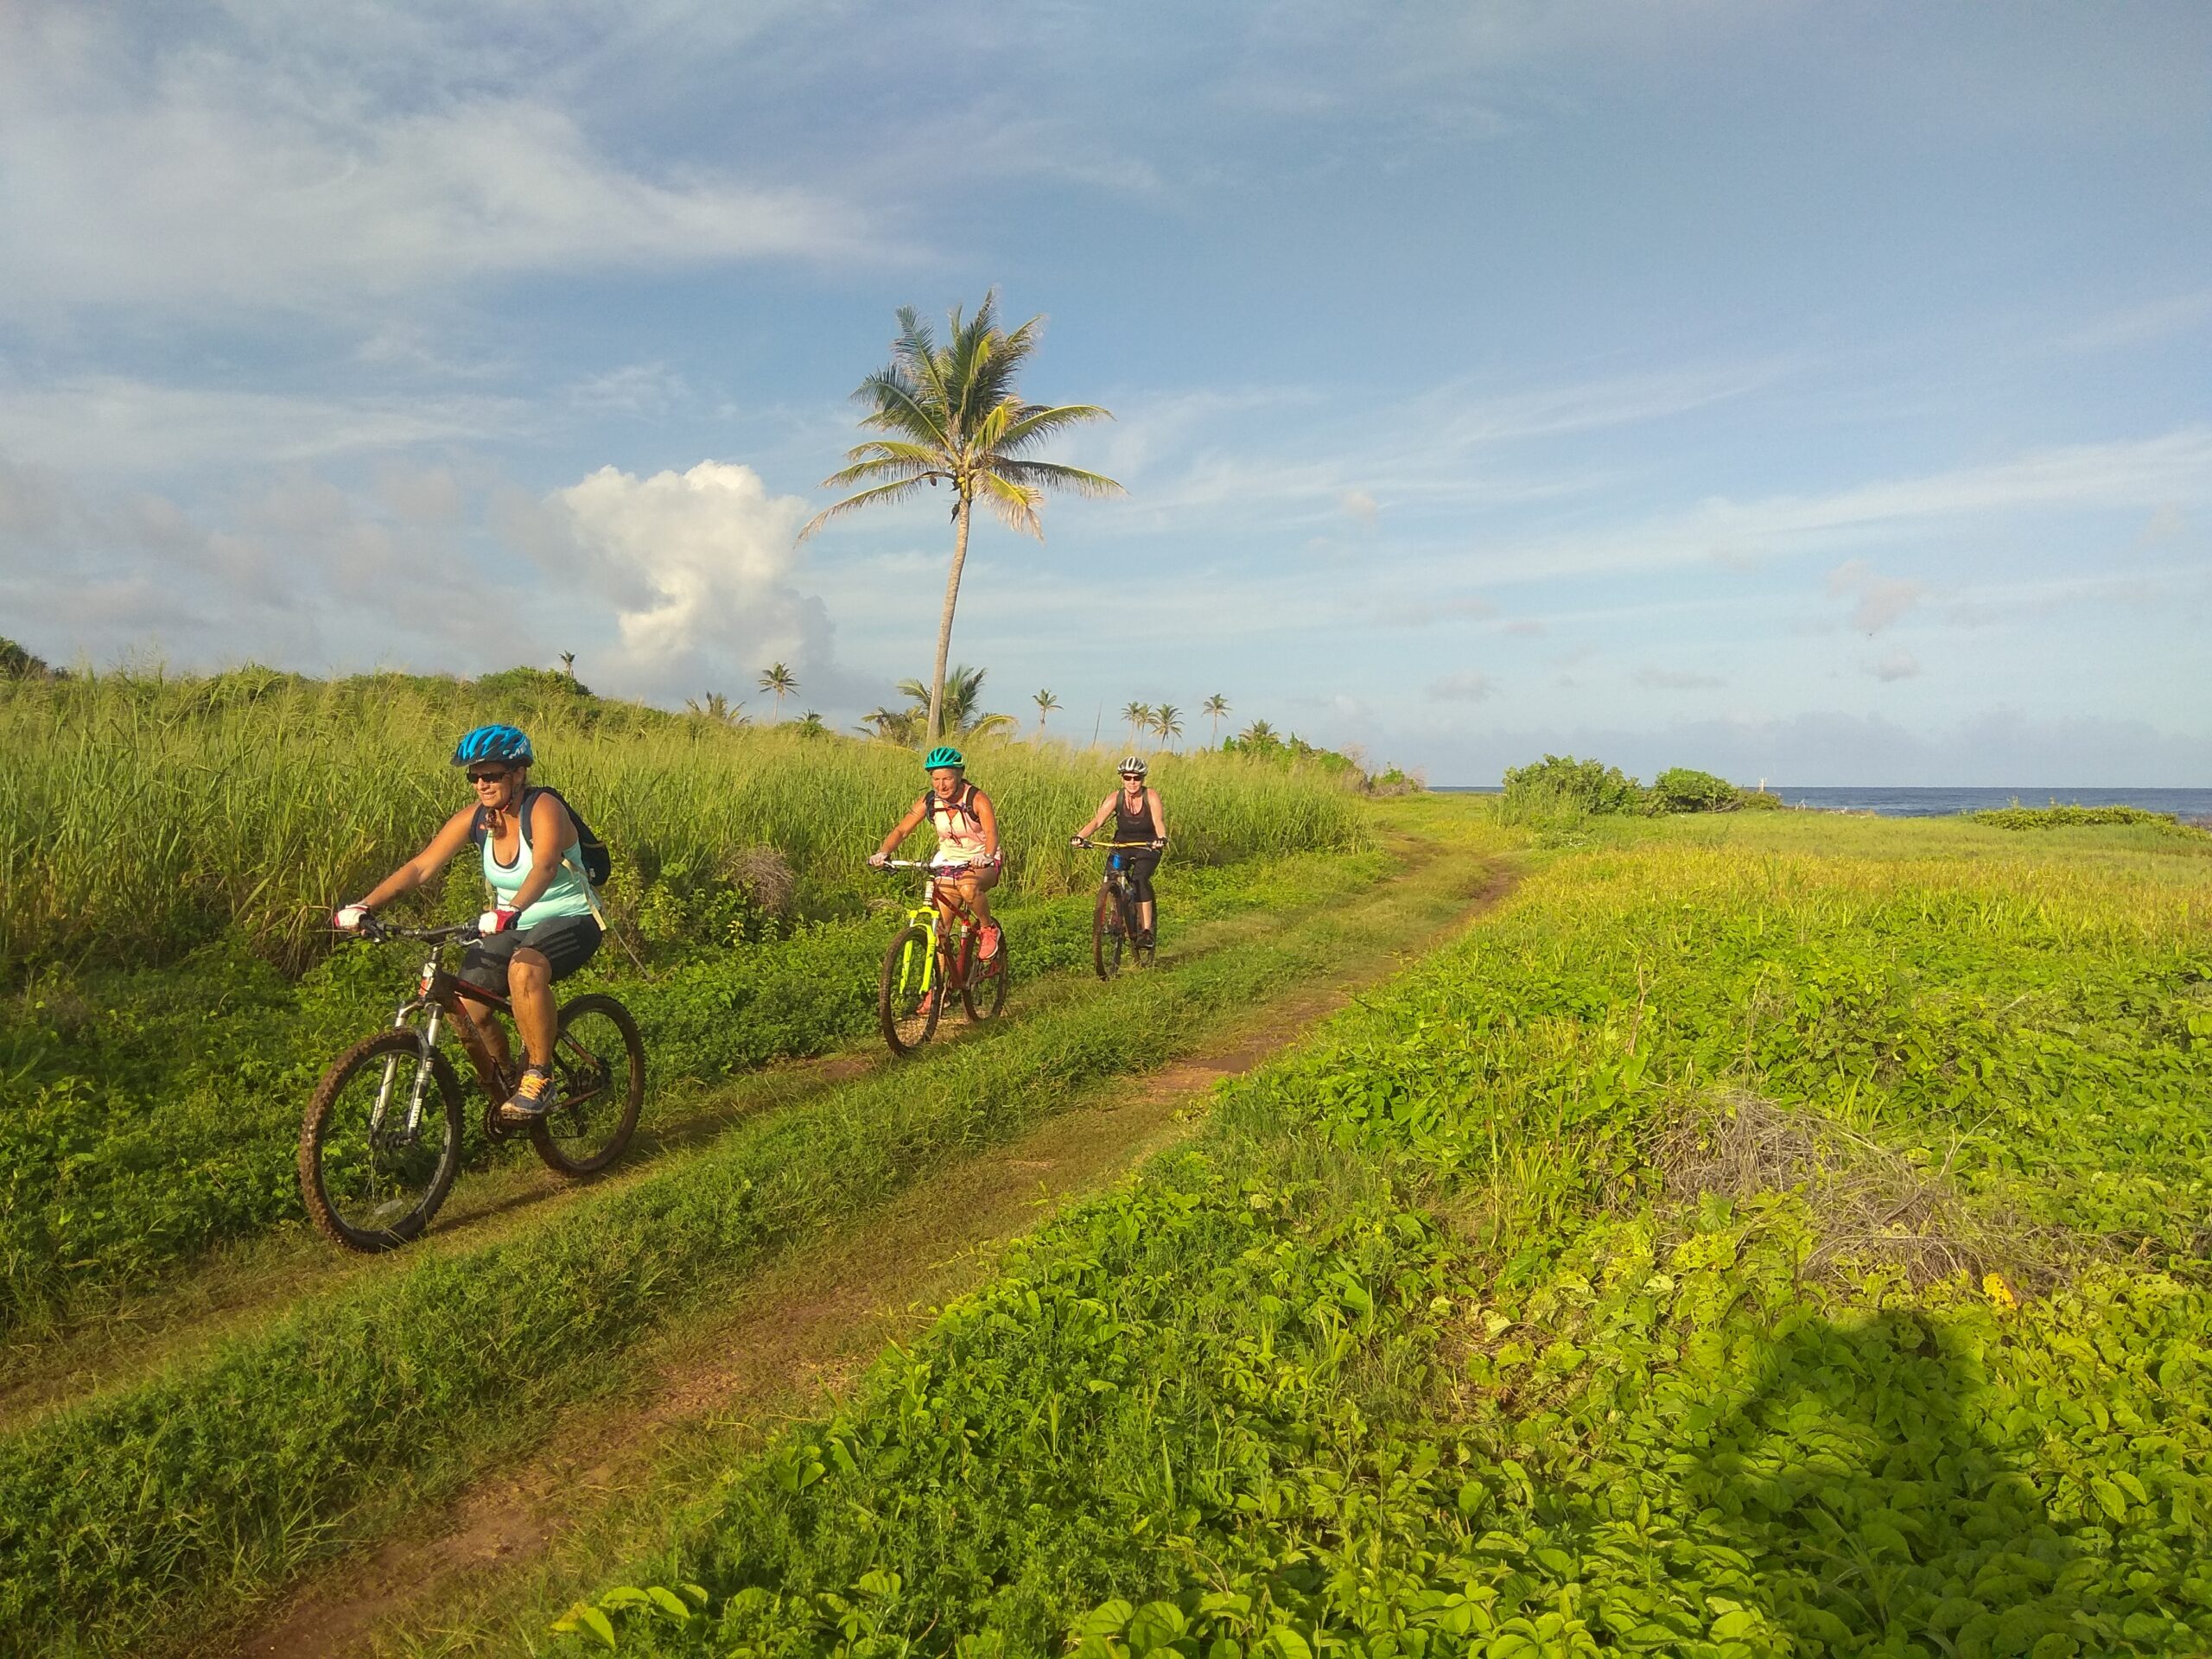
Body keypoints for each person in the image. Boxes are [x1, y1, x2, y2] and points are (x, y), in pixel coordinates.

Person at [332, 723, 603, 1122]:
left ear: (518, 774)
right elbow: (421, 866)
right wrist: (365, 906)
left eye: (491, 775)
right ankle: (506, 1084)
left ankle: (539, 1078)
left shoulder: (543, 807)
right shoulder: (476, 819)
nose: (481, 784)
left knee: (524, 968)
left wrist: (511, 909)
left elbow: (545, 864)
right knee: (467, 1009)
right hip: (510, 924)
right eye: (473, 776)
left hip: (571, 917)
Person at [869, 747, 1003, 1000]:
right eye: (936, 779)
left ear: (960, 775)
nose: (941, 785)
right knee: (940, 931)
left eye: (947, 778)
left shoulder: (977, 799)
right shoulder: (929, 801)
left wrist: (986, 855)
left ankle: (988, 930)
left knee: (968, 887)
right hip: (949, 862)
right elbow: (902, 831)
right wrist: (883, 852)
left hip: (983, 859)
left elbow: (992, 833)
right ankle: (938, 991)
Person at [1072, 755, 1168, 947]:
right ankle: (1114, 918)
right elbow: (1098, 821)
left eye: (1136, 778)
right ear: (1122, 778)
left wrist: (1161, 839)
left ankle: (1146, 931)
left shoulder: (1151, 797)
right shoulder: (1116, 798)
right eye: (1127, 778)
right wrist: (1080, 836)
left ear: (1143, 778)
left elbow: (1158, 821)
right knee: (1111, 877)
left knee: (1140, 880)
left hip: (1147, 846)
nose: (1132, 782)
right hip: (1121, 846)